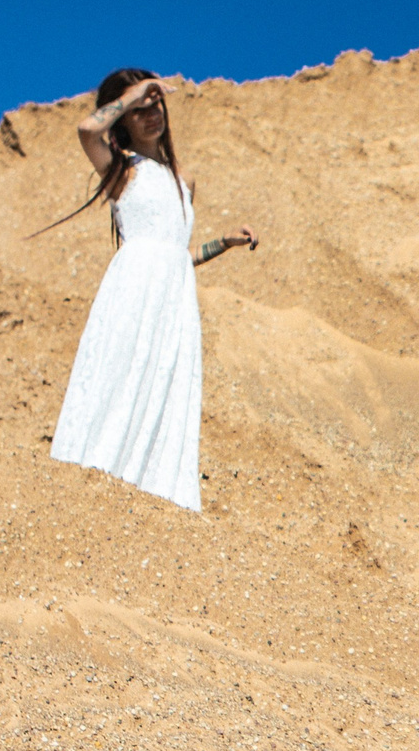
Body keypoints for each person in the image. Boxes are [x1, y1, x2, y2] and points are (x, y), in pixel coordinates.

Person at [35, 68, 257, 512]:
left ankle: (154, 501)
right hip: (133, 289)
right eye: (139, 109)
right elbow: (86, 129)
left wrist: (222, 245)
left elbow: (176, 255)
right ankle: (89, 485)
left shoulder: (183, 180)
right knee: (121, 375)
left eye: (155, 104)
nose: (151, 113)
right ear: (123, 120)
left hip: (173, 298)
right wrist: (134, 92)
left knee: (165, 386)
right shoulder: (121, 169)